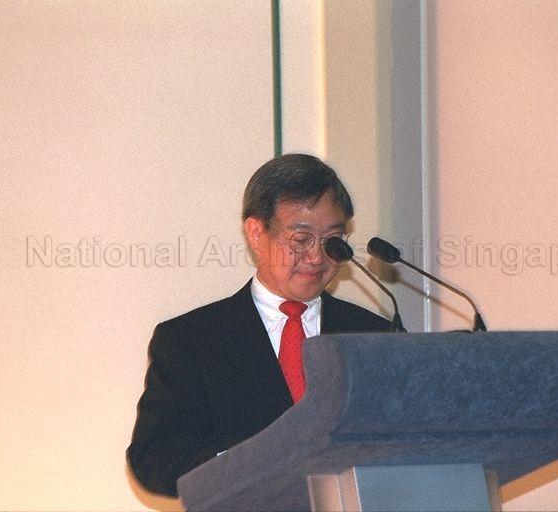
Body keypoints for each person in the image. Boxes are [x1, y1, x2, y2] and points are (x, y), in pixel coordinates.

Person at [127, 154, 391, 497]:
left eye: (332, 240)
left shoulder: (375, 336)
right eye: (301, 239)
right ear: (256, 232)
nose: (316, 257)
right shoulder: (191, 340)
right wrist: (247, 462)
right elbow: (154, 457)